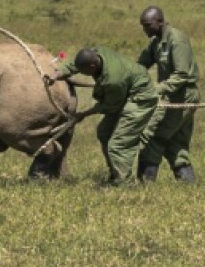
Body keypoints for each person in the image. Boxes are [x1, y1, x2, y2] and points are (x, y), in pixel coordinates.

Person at [47, 47, 159, 184]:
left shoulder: (113, 80)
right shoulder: (96, 53)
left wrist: (83, 114)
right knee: (104, 132)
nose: (82, 73)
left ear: (93, 66)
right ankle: (115, 173)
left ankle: (124, 183)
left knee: (118, 143)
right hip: (124, 91)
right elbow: (77, 65)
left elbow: (109, 105)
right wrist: (58, 74)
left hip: (140, 97)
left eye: (84, 71)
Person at [135, 6, 201, 183]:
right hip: (171, 95)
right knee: (175, 142)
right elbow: (140, 66)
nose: (145, 30)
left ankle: (145, 184)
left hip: (184, 95)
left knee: (153, 134)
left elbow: (182, 75)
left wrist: (156, 90)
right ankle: (188, 183)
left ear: (160, 22)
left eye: (148, 25)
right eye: (143, 26)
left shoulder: (176, 40)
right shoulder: (155, 42)